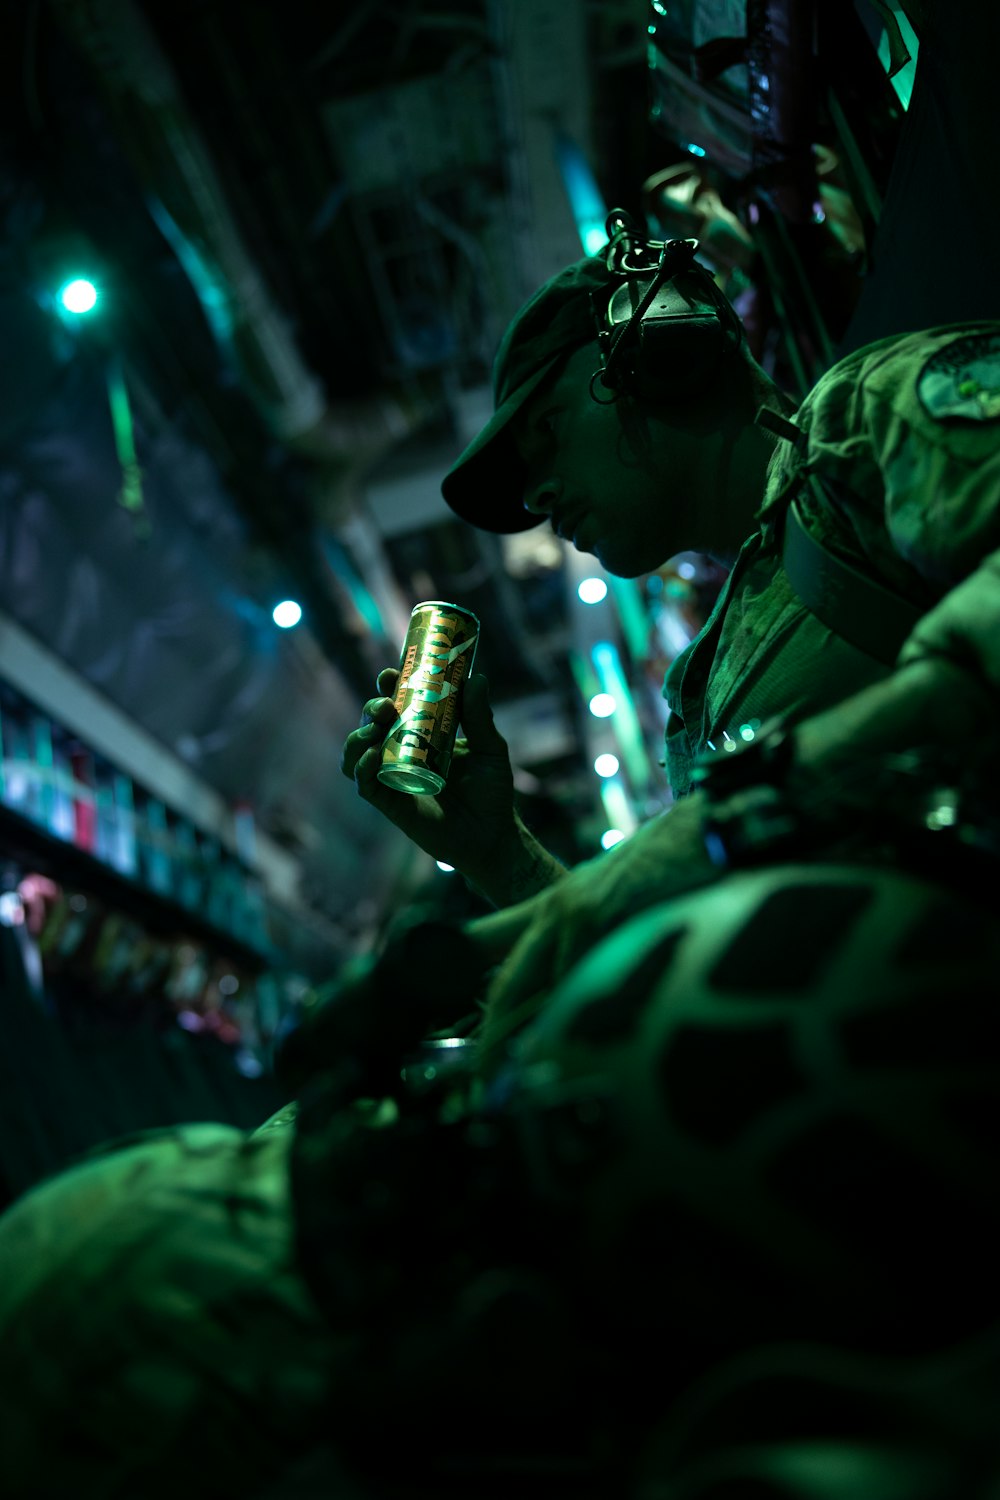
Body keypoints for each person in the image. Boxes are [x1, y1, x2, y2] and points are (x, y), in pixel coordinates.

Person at [341, 211, 1000, 1018]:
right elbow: (699, 947)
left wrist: (777, 790)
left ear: (655, 345)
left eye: (547, 432)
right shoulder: (698, 683)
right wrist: (498, 853)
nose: (537, 495)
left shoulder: (863, 421)